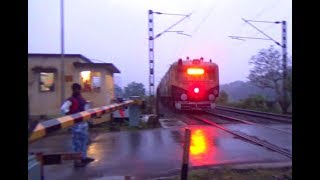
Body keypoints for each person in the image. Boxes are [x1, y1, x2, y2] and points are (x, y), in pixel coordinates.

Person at [60, 83, 95, 167]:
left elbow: (86, 109)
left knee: (84, 142)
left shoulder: (81, 99)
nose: (77, 91)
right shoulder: (70, 100)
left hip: (83, 124)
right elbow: (63, 109)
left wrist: (89, 119)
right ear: (74, 90)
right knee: (76, 143)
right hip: (76, 124)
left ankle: (83, 157)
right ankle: (76, 161)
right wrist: (70, 116)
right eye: (76, 89)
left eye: (78, 89)